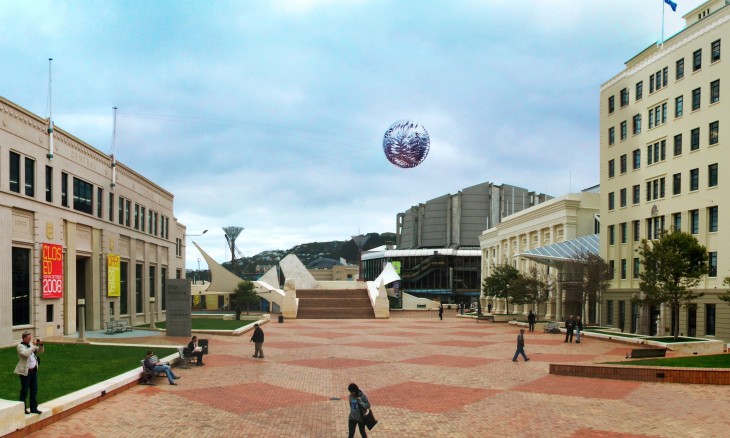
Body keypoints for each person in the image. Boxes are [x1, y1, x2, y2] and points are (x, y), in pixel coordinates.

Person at [15, 332, 43, 414]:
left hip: (33, 371)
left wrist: (41, 344)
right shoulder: (20, 346)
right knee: (24, 391)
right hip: (25, 372)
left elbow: (40, 351)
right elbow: (26, 353)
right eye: (28, 338)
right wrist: (33, 346)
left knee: (34, 390)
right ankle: (22, 409)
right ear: (24, 338)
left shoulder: (31, 345)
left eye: (30, 338)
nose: (30, 339)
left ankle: (33, 408)